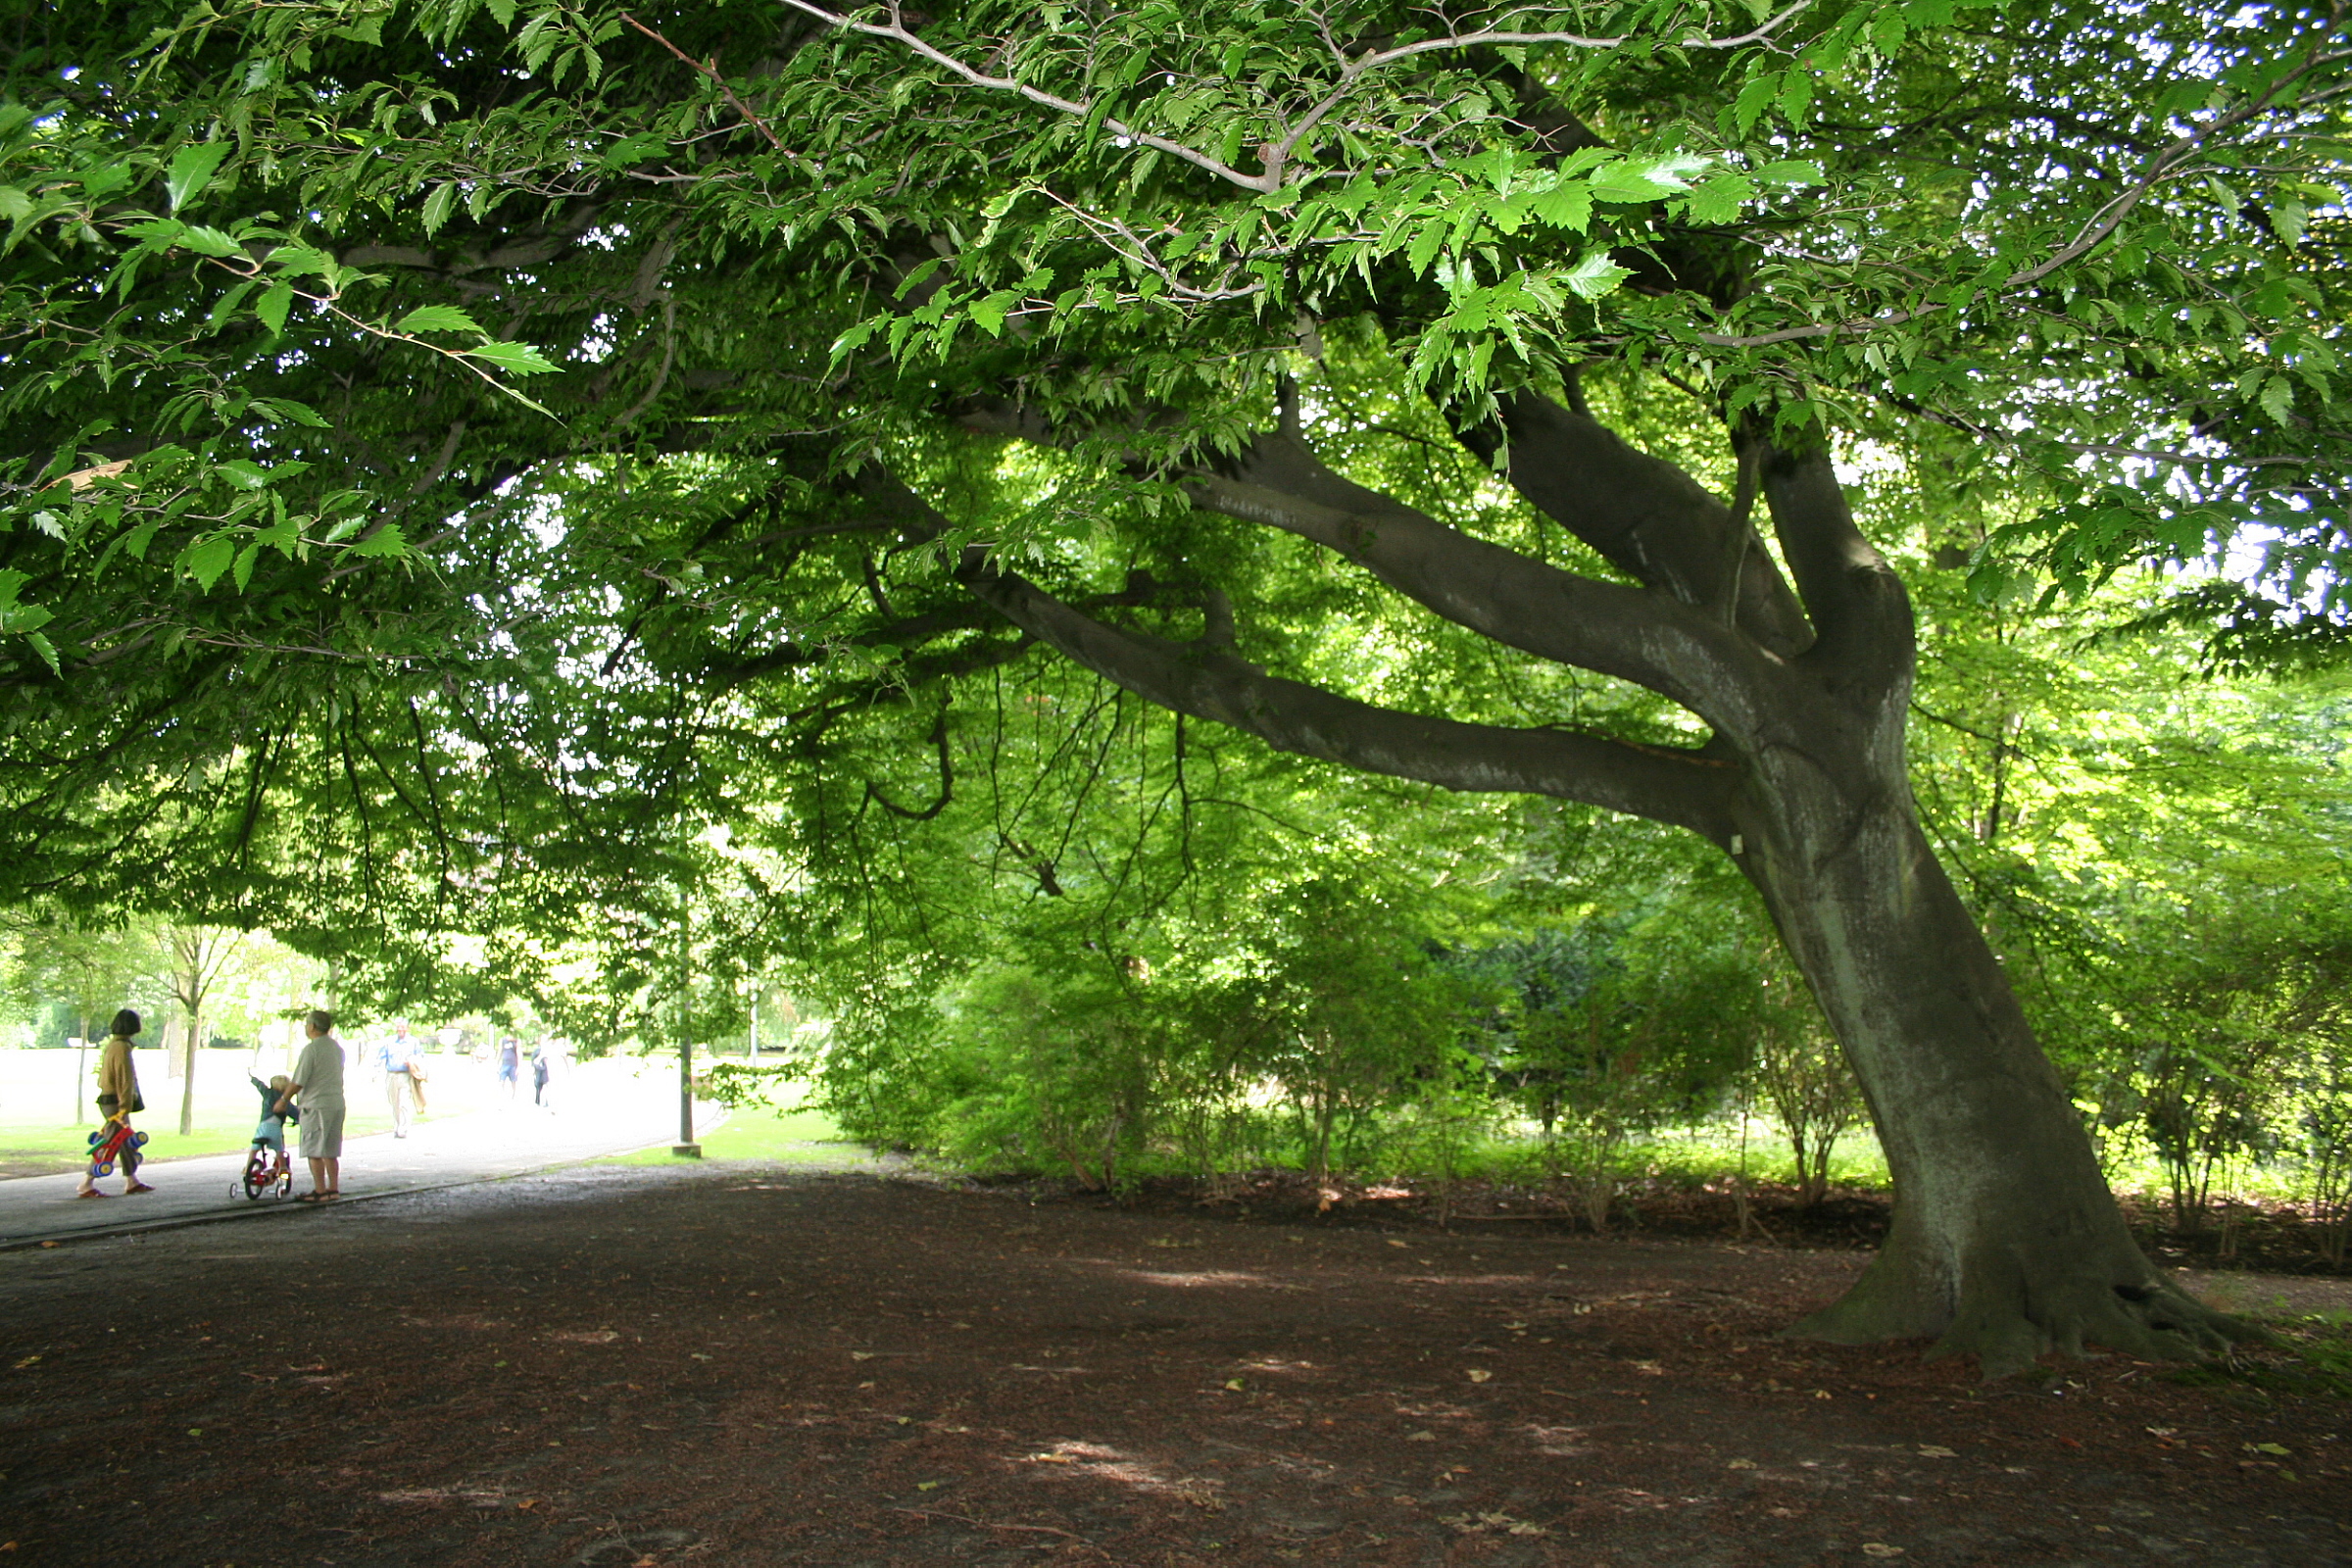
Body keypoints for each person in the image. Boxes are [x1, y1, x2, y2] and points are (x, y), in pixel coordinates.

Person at [76, 1008, 155, 1199]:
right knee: (109, 1141)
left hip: (109, 1098)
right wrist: (125, 1105)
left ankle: (132, 1181)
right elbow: (125, 1079)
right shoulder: (121, 1048)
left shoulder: (114, 1045)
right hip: (115, 1101)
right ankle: (86, 1183)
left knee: (124, 1140)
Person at [281, 1009, 346, 1202]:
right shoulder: (337, 1048)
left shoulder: (312, 1050)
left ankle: (320, 1190)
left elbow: (299, 1080)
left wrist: (283, 1100)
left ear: (312, 1027)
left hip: (316, 1105)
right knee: (331, 1150)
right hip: (336, 1103)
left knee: (314, 1149)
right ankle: (333, 1188)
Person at [247, 1071, 300, 1182]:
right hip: (275, 1129)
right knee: (279, 1150)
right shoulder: (285, 1102)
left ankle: (248, 1168)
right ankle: (283, 1169)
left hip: (263, 1127)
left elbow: (260, 1085)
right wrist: (297, 1120)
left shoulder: (267, 1093)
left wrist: (253, 1078)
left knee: (254, 1149)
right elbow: (296, 1113)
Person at [376, 1019, 422, 1137]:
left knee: (404, 1102)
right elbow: (381, 1057)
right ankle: (398, 1124)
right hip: (391, 1075)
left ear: (407, 1028)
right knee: (395, 1103)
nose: (401, 1030)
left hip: (405, 1075)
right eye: (399, 1027)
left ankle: (404, 1128)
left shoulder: (413, 1042)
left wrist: (413, 1062)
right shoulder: (389, 1042)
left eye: (403, 1027)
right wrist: (376, 1072)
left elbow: (420, 1056)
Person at [497, 1034, 520, 1102]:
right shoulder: (503, 1040)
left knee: (513, 1081)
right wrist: (497, 1063)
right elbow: (499, 1051)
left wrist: (519, 1066)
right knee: (501, 1080)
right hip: (504, 1064)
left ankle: (513, 1096)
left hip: (513, 1064)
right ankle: (501, 1096)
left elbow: (519, 1053)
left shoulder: (516, 1041)